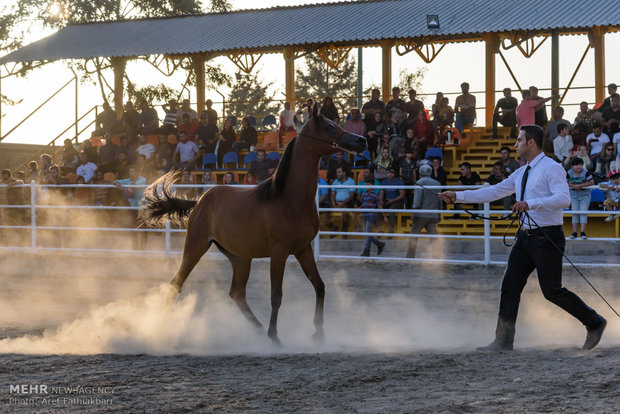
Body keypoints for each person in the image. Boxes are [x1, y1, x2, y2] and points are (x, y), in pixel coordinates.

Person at [439, 124, 607, 351]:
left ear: (531, 142)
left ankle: (594, 322)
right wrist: (457, 196)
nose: (515, 144)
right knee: (510, 285)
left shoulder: (551, 168)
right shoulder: (521, 172)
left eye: (519, 140)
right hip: (525, 237)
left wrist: (531, 204)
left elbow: (563, 199)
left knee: (552, 291)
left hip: (547, 237)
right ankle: (503, 340)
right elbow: (493, 191)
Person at [406, 164, 441, 258]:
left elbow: (417, 201)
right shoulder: (437, 184)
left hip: (421, 215)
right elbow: (439, 201)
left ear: (420, 173)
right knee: (433, 237)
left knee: (413, 235)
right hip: (433, 214)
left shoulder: (419, 182)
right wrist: (439, 214)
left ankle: (410, 255)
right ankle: (436, 255)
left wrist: (413, 213)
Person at [566, 157, 593, 240]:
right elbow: (565, 183)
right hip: (574, 196)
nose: (579, 167)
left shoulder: (586, 172)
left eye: (580, 165)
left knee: (583, 213)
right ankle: (574, 233)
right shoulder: (569, 173)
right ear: (572, 166)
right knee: (575, 213)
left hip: (585, 196)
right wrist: (574, 186)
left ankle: (582, 233)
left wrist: (580, 185)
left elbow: (592, 182)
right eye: (576, 165)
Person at [358, 178, 385, 257]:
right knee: (366, 233)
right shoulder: (364, 194)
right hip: (365, 214)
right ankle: (379, 244)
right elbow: (364, 204)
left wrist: (384, 215)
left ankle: (367, 250)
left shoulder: (375, 195)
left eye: (368, 185)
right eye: (366, 185)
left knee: (367, 233)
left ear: (373, 186)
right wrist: (359, 208)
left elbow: (379, 205)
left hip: (370, 215)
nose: (367, 186)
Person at [330, 167, 356, 239]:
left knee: (345, 214)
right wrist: (334, 203)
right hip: (336, 203)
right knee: (326, 212)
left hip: (347, 203)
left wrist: (342, 203)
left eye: (339, 172)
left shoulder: (351, 181)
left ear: (344, 173)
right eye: (337, 172)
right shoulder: (335, 181)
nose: (337, 174)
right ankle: (335, 229)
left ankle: (344, 233)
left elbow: (351, 195)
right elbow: (332, 194)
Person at [379, 169, 404, 235]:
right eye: (388, 173)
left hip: (398, 202)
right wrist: (381, 201)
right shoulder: (384, 182)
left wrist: (392, 201)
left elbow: (402, 195)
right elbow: (381, 193)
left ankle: (391, 231)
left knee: (391, 210)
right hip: (387, 201)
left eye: (391, 173)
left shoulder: (399, 181)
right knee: (377, 210)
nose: (390, 174)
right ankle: (379, 230)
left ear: (395, 174)